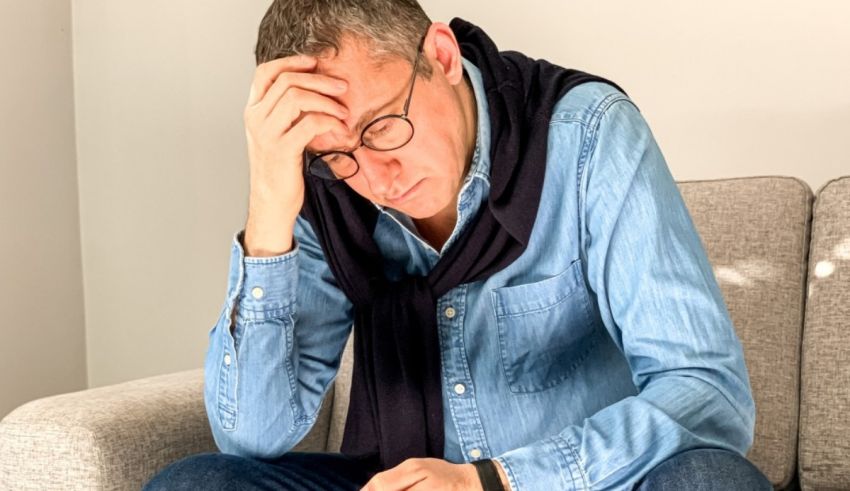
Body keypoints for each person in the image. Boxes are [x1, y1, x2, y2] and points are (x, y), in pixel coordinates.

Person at [144, 1, 774, 489]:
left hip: (577, 483)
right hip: (399, 481)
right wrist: (269, 213)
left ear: (440, 56)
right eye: (339, 154)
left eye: (382, 126)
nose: (376, 178)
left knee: (711, 481)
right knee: (196, 484)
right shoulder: (322, 190)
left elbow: (707, 391)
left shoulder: (586, 135)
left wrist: (495, 482)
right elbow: (253, 435)